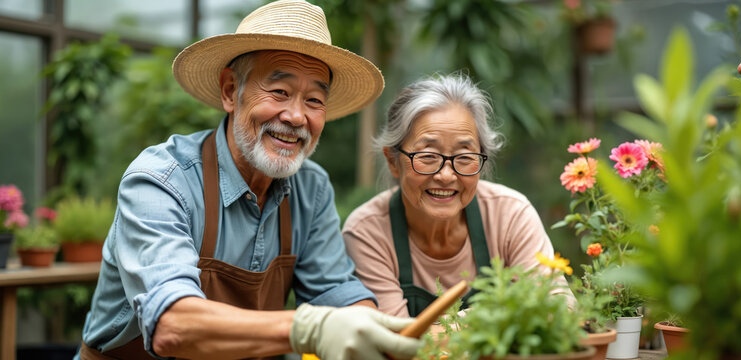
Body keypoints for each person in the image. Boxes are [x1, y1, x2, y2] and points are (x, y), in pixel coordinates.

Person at [76, 1, 421, 359]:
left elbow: (336, 294)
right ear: (230, 91)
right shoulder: (162, 180)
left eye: (315, 100)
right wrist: (308, 329)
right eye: (279, 92)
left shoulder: (311, 189)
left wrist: (385, 330)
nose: (296, 116)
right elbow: (173, 324)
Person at [343, 73, 573, 319]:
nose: (446, 175)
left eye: (464, 157)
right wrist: (502, 316)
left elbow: (560, 309)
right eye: (428, 156)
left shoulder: (510, 214)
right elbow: (396, 343)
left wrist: (454, 327)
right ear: (392, 160)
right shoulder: (367, 232)